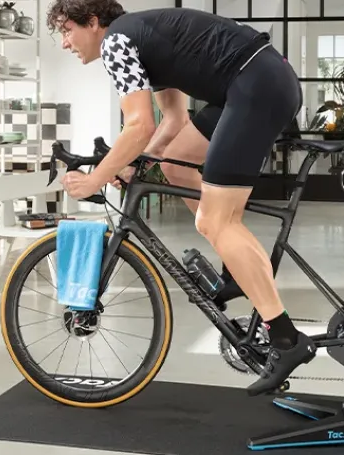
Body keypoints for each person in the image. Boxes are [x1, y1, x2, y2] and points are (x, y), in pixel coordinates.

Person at [47, 0, 316, 396]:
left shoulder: (117, 42)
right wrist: (133, 163)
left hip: (255, 87)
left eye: (67, 31)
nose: (65, 43)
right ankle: (236, 271)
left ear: (92, 22)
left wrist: (94, 181)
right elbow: (174, 121)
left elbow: (139, 126)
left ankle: (286, 340)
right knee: (177, 165)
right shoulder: (141, 37)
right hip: (255, 82)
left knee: (216, 221)